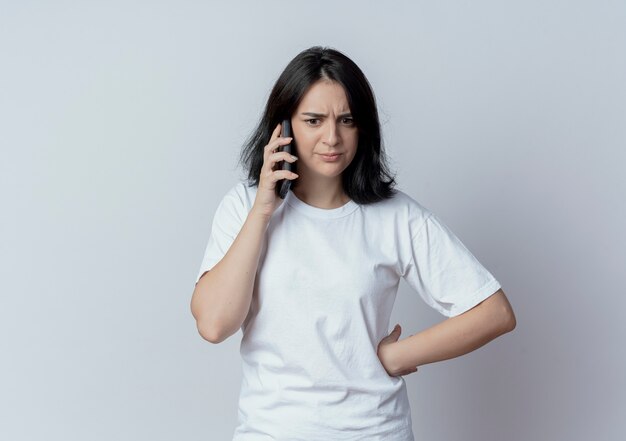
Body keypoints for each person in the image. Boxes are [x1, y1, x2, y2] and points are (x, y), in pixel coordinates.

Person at [190, 46, 516, 441]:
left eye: (346, 120)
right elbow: (214, 324)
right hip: (271, 432)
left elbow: (493, 312)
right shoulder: (244, 207)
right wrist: (263, 210)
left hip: (373, 431)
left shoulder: (396, 216)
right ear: (284, 127)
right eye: (313, 120)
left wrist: (398, 355)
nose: (332, 137)